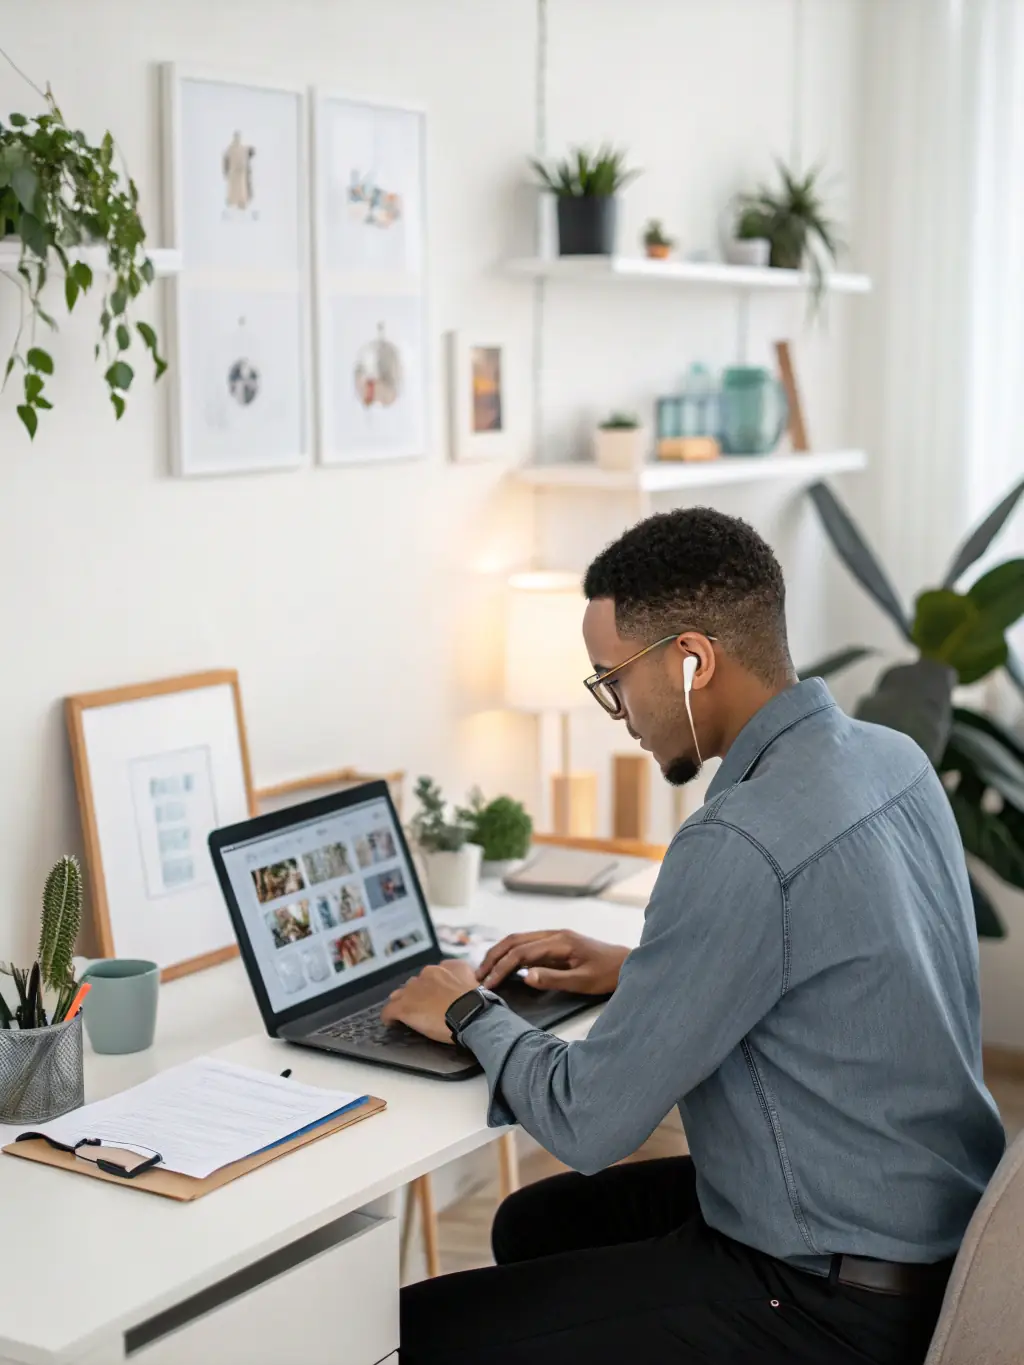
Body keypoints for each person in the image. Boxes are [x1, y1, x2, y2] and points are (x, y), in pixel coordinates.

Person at [383, 507, 1006, 1365]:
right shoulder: (893, 758)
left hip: (830, 1303)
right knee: (536, 1221)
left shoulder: (738, 842)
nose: (615, 711)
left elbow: (590, 1120)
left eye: (612, 679)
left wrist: (469, 1009)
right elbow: (835, 966)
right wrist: (641, 971)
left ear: (692, 660)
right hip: (935, 1231)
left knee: (412, 1332)